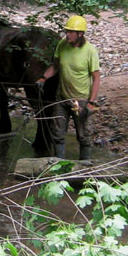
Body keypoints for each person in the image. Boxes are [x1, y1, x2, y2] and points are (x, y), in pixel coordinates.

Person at [37, 14, 100, 159]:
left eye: (71, 32)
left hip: (81, 100)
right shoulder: (62, 45)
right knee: (57, 134)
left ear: (80, 34)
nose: (67, 34)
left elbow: (96, 78)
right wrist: (43, 77)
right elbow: (56, 66)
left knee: (84, 136)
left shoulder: (90, 51)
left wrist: (91, 103)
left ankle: (85, 168)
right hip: (62, 98)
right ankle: (58, 166)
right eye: (67, 31)